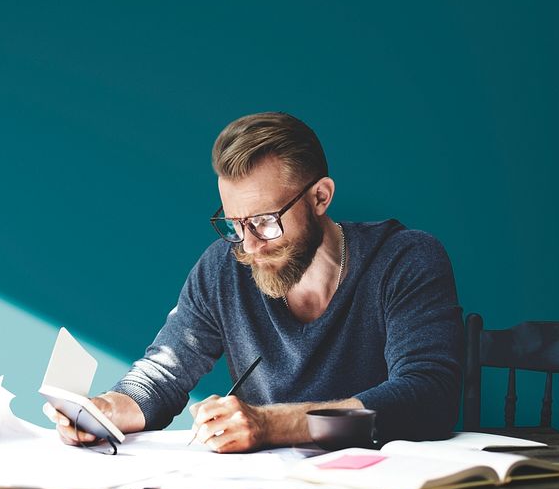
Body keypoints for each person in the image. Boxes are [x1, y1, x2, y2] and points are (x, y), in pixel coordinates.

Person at [44, 112, 464, 452]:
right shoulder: (224, 267)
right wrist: (110, 408)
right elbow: (164, 373)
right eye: (234, 223)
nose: (248, 245)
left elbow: (428, 396)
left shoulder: (405, 259)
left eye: (265, 221)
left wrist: (272, 423)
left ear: (321, 196)